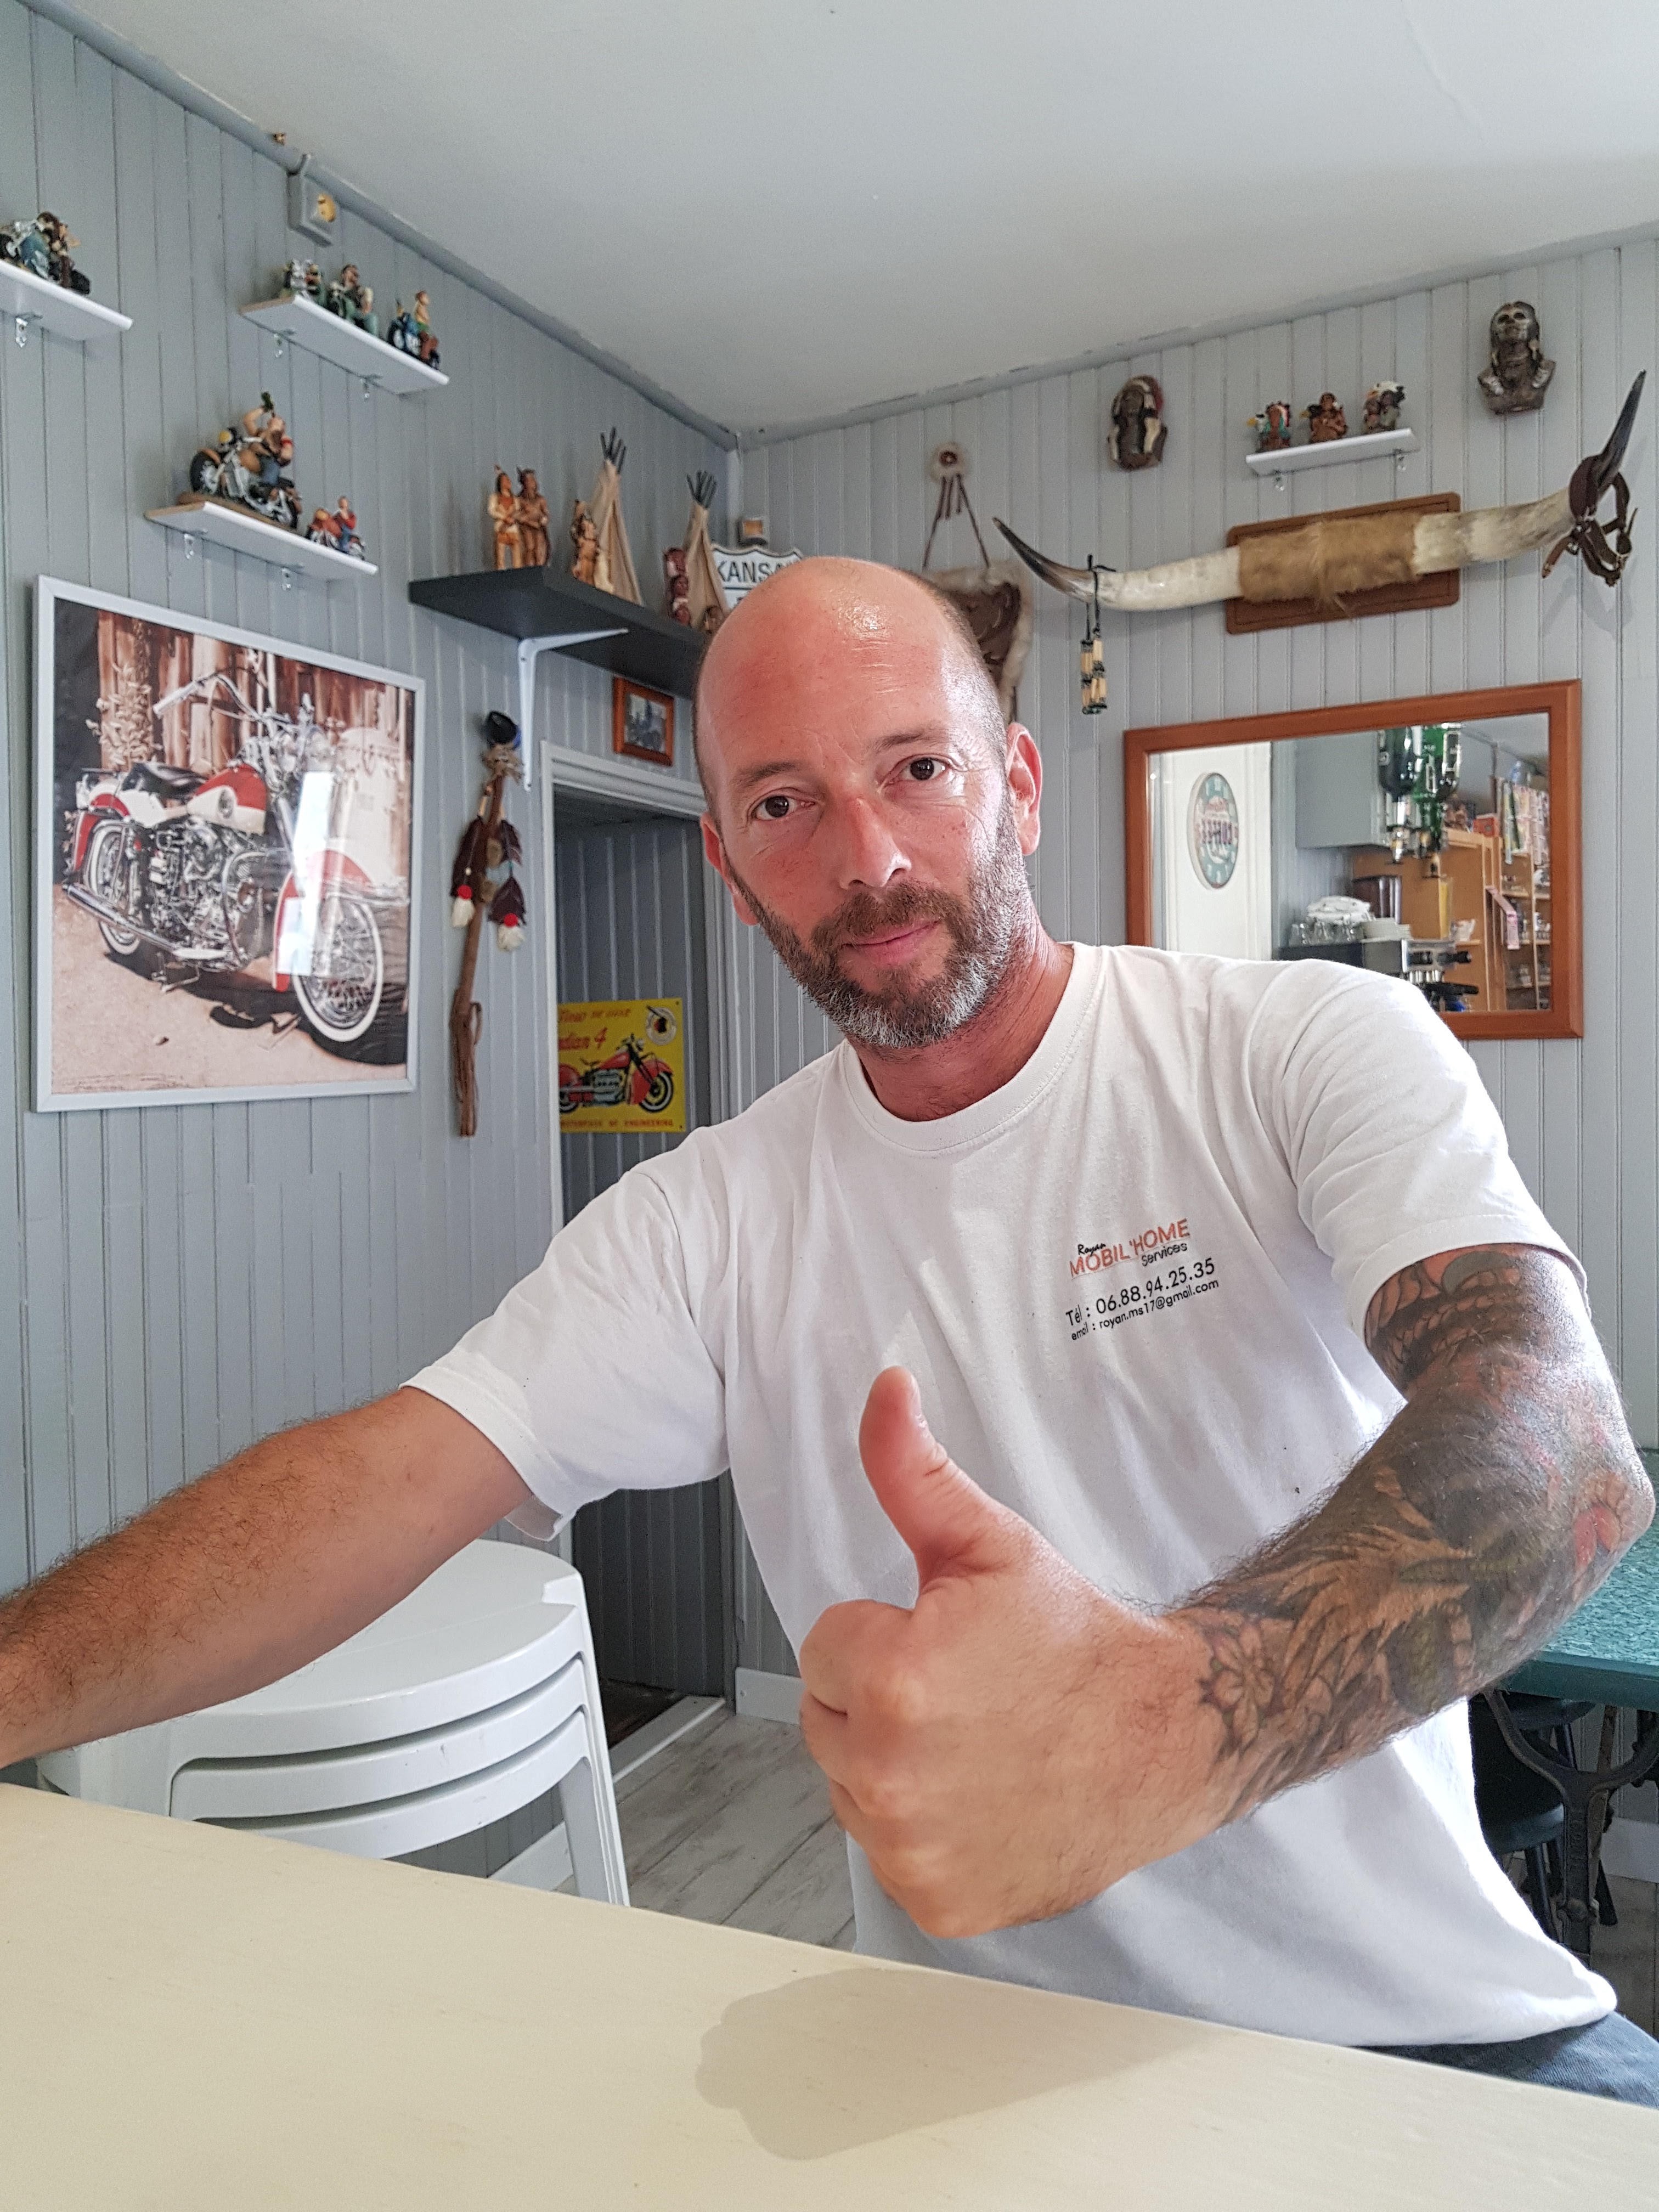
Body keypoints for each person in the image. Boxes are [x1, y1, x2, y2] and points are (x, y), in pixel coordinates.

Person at [0, 558, 1652, 2103]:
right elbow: (394, 1474)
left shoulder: (1298, 1049)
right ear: (728, 869)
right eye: (784, 804)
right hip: (960, 2087)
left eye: (917, 770)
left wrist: (1170, 1726)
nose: (867, 860)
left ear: (1017, 785)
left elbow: (1562, 1444)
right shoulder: (712, 1220)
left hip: (1435, 2053)